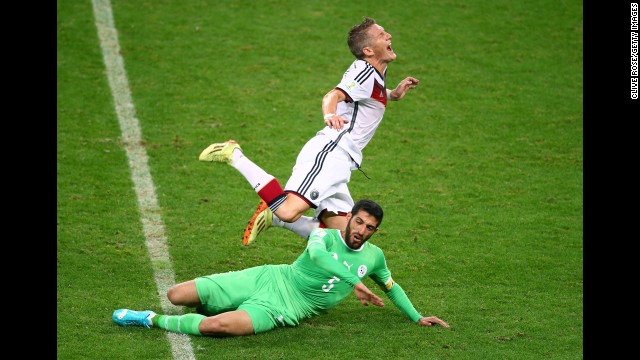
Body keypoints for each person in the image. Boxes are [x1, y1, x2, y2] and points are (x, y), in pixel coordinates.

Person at [198, 17, 421, 245]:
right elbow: (332, 96)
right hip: (330, 153)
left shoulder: (374, 71)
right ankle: (234, 155)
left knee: (343, 238)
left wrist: (393, 94)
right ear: (368, 50)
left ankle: (275, 219)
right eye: (382, 35)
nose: (389, 36)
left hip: (342, 161)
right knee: (286, 210)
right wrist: (329, 114)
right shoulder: (364, 71)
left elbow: (367, 94)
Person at [112, 199, 449, 337]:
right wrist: (354, 282)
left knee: (218, 326)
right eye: (358, 222)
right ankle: (216, 301)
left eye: (369, 227)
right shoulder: (323, 235)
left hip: (285, 308)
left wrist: (416, 316)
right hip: (270, 276)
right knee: (176, 293)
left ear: (376, 231)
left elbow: (392, 288)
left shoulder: (374, 257)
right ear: (348, 218)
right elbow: (318, 258)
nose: (361, 231)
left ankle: (149, 319)